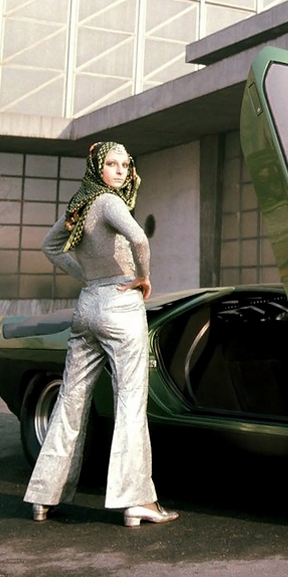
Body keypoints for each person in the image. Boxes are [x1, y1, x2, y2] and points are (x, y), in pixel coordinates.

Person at [23, 141, 178, 528]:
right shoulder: (109, 203)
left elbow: (51, 246)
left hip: (87, 305)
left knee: (70, 400)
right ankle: (137, 501)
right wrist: (143, 277)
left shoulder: (82, 202)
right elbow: (140, 239)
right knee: (130, 401)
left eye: (126, 164)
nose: (121, 170)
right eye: (112, 164)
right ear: (97, 166)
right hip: (120, 307)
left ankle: (44, 495)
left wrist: (87, 278)